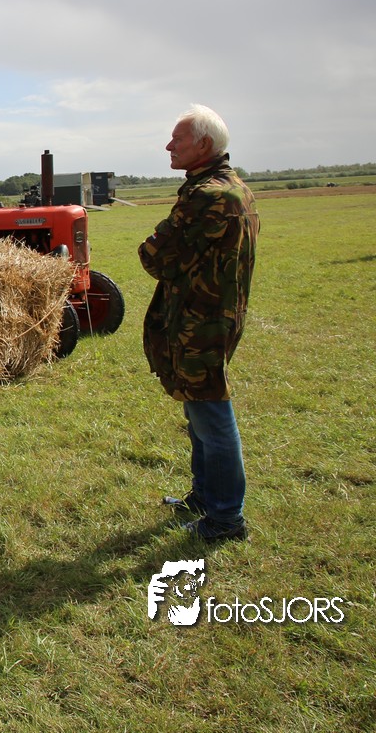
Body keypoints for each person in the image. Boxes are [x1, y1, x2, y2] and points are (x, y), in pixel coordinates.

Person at [140, 105, 259, 543]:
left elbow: (154, 256)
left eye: (178, 139)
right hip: (211, 315)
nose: (169, 146)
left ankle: (226, 519)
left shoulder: (208, 196)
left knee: (211, 413)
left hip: (201, 319)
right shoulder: (233, 187)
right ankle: (206, 497)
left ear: (204, 144)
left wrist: (154, 247)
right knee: (198, 409)